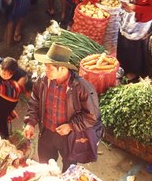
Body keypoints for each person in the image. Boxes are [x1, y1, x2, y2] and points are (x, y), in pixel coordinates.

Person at [24, 43, 100, 172]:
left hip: (69, 137)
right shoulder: (42, 81)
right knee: (45, 169)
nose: (45, 70)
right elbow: (35, 101)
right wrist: (30, 122)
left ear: (62, 68)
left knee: (69, 171)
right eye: (45, 67)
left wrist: (71, 126)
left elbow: (92, 116)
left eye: (49, 67)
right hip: (46, 133)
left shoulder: (82, 88)